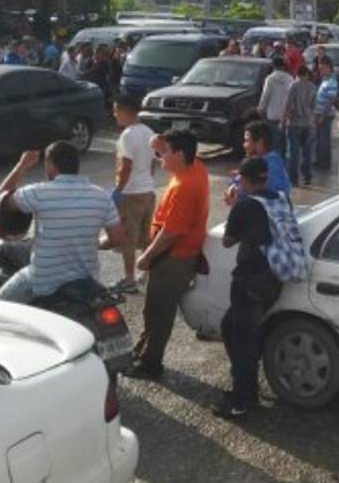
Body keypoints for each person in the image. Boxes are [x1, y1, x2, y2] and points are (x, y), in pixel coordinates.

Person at [0, 141, 124, 303]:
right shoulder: (101, 196)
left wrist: (22, 166)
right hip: (88, 280)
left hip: (43, 280)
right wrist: (94, 243)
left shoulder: (38, 192)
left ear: (50, 166)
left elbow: (0, 201)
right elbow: (117, 238)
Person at [128, 130, 210, 380]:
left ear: (180, 154)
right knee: (156, 310)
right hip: (176, 255)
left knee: (158, 312)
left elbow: (172, 232)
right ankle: (144, 354)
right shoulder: (195, 166)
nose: (158, 157)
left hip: (173, 258)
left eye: (163, 153)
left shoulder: (185, 186)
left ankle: (150, 363)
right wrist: (160, 143)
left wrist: (146, 257)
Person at [213, 157, 284, 419]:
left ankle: (242, 401)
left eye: (239, 178)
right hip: (273, 278)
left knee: (243, 340)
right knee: (230, 329)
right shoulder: (279, 198)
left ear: (245, 180)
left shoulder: (245, 205)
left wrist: (234, 208)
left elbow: (228, 241)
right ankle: (245, 387)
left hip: (249, 281)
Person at [111, 95, 159, 294]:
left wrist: (118, 190)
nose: (114, 115)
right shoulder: (149, 131)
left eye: (116, 111)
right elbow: (153, 162)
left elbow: (126, 165)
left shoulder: (127, 135)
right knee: (145, 235)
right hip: (148, 191)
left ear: (124, 111)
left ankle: (129, 278)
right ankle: (147, 274)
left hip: (131, 193)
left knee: (128, 238)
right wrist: (147, 180)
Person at [224, 121, 290, 205]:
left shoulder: (270, 168)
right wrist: (232, 187)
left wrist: (236, 201)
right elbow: (238, 181)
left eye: (247, 141)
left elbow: (263, 201)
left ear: (260, 143)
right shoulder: (261, 162)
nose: (244, 145)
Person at [282, 66, 317, 187]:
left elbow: (288, 105)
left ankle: (293, 179)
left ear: (297, 74)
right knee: (307, 152)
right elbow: (314, 105)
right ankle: (307, 177)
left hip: (294, 123)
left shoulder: (294, 86)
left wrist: (283, 120)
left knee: (294, 153)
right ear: (307, 74)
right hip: (308, 123)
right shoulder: (313, 87)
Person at [258, 56, 293, 154]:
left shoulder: (270, 79)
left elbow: (265, 96)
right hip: (286, 115)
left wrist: (261, 109)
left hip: (272, 114)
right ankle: (284, 162)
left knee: (274, 141)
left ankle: (276, 162)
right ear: (283, 66)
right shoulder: (289, 78)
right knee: (284, 141)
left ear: (273, 66)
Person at [312, 57, 339, 171]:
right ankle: (319, 160)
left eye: (322, 68)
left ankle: (324, 163)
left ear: (328, 67)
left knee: (324, 140)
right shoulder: (325, 80)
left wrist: (323, 115)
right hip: (319, 113)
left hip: (326, 114)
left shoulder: (331, 81)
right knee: (319, 138)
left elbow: (331, 100)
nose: (320, 70)